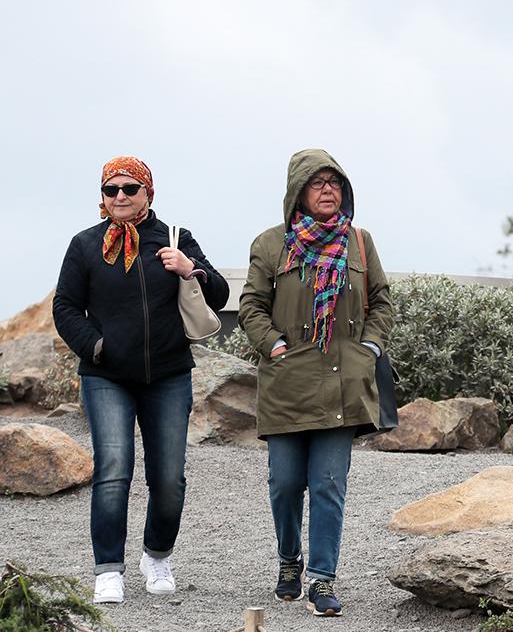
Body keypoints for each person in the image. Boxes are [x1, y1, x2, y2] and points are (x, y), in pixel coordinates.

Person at [53, 156, 229, 604]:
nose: (120, 197)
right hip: (106, 376)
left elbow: (221, 295)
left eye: (130, 188)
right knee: (113, 471)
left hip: (168, 375)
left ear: (148, 192)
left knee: (169, 479)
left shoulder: (175, 238)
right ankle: (108, 568)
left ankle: (157, 555)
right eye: (111, 190)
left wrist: (190, 269)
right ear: (102, 198)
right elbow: (66, 307)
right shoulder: (85, 245)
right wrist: (96, 346)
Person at [238, 149, 393, 617]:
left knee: (328, 484)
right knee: (285, 484)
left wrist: (370, 347)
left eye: (335, 182)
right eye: (317, 182)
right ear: (297, 193)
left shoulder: (359, 243)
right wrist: (275, 347)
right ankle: (290, 561)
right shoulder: (271, 244)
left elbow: (382, 301)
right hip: (287, 383)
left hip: (341, 384)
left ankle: (322, 579)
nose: (328, 189)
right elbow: (250, 306)